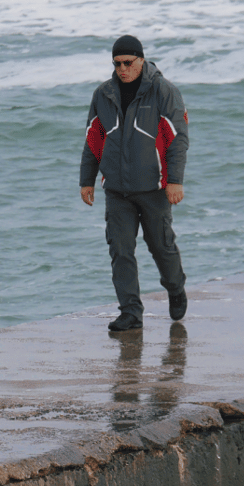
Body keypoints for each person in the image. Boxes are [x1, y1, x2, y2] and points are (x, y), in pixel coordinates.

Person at [79, 35, 189, 331]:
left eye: (128, 63)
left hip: (154, 189)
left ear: (141, 59)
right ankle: (131, 312)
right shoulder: (103, 94)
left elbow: (177, 140)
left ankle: (176, 287)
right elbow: (93, 139)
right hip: (117, 190)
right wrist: (86, 180)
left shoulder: (163, 91)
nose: (122, 69)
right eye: (117, 64)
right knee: (120, 250)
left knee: (161, 247)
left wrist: (175, 181)